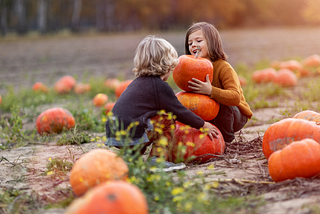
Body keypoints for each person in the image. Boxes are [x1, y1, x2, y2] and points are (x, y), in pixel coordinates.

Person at [105, 35, 220, 172]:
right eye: (171, 69)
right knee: (167, 121)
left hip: (114, 132)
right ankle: (157, 161)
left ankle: (130, 159)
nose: (171, 72)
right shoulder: (159, 86)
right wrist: (203, 124)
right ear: (165, 66)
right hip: (132, 132)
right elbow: (179, 112)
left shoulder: (137, 83)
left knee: (148, 120)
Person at [185, 22, 253, 143]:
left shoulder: (223, 67)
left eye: (198, 41)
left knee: (224, 106)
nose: (193, 45)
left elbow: (235, 98)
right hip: (210, 113)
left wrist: (210, 90)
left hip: (235, 114)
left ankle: (227, 141)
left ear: (212, 42)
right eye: (190, 43)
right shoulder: (191, 70)